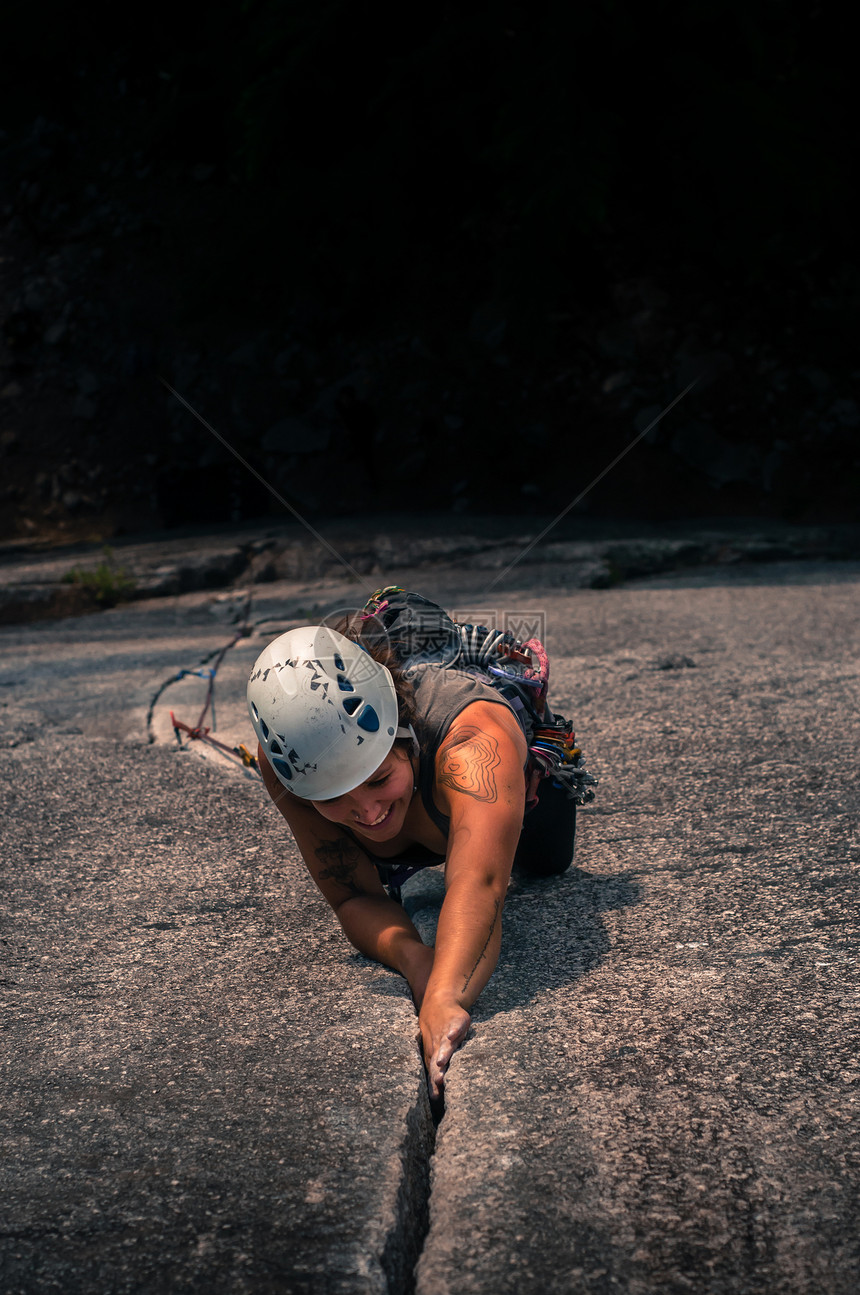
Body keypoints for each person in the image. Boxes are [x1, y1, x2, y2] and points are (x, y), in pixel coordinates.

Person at [247, 588, 595, 1101]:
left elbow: (479, 884)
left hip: (511, 776)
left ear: (404, 735)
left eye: (377, 777)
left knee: (545, 863)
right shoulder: (290, 764)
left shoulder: (473, 748)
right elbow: (351, 897)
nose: (365, 812)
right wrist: (415, 959)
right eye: (334, 799)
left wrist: (444, 998)